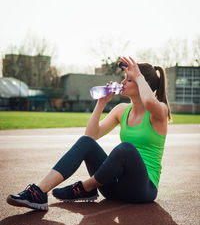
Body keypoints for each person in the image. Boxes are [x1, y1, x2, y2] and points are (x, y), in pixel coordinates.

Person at [7, 57, 171, 211]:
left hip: (142, 190)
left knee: (126, 149)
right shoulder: (122, 110)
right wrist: (101, 104)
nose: (122, 82)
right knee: (86, 142)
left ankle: (86, 187)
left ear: (144, 84)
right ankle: (39, 193)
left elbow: (149, 102)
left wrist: (139, 76)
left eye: (129, 80)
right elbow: (90, 136)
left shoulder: (160, 111)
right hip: (114, 189)